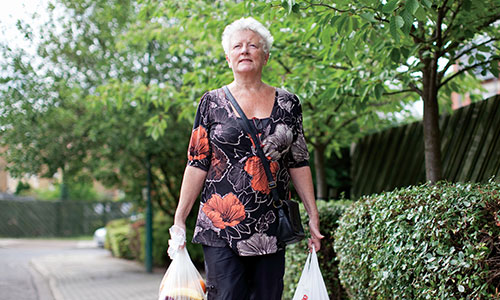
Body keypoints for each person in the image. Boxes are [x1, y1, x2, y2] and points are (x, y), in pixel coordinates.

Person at [172, 16, 323, 300]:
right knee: (226, 295)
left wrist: (312, 215)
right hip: (220, 227)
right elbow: (196, 163)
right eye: (237, 46)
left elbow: (299, 162)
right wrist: (179, 219)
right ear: (228, 58)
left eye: (253, 45)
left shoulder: (288, 104)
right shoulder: (211, 102)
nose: (245, 51)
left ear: (265, 56)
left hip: (271, 226)